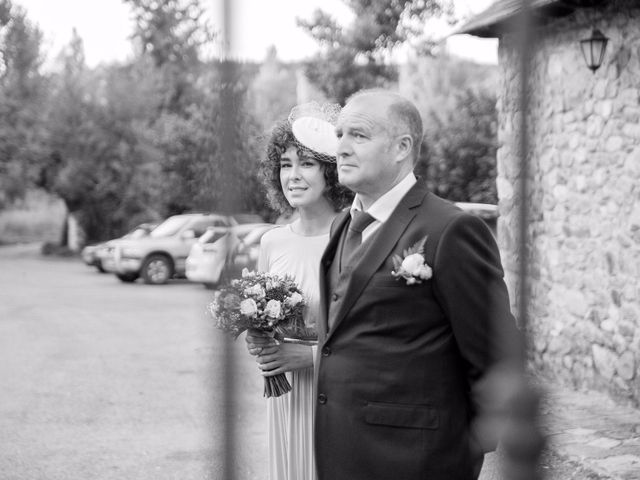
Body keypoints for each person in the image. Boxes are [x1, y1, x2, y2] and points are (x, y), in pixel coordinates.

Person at [314, 89, 521, 480]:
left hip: (419, 459)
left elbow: (495, 353)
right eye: (339, 134)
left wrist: (462, 448)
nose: (340, 147)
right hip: (339, 449)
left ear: (401, 147)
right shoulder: (342, 224)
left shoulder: (451, 229)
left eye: (357, 135)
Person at [244, 103, 353, 480]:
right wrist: (259, 339)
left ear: (332, 171)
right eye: (285, 163)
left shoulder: (354, 239)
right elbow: (264, 320)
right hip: (286, 397)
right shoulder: (272, 242)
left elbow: (368, 337)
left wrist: (310, 356)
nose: (293, 175)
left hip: (335, 396)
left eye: (306, 163)